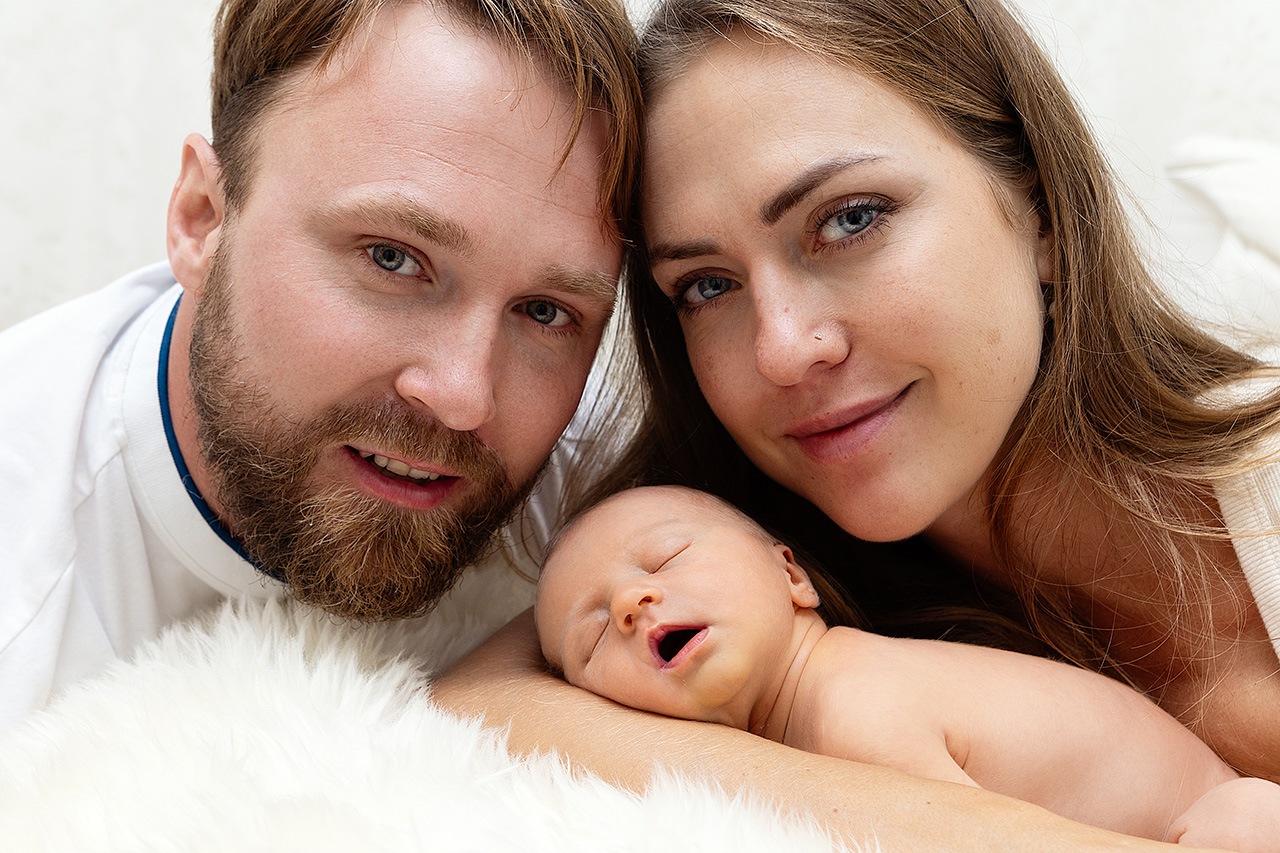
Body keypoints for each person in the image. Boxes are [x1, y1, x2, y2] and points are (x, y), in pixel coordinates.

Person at [433, 0, 1279, 848]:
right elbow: (477, 707)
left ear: (1041, 210)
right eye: (707, 285)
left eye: (849, 219)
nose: (783, 349)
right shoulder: (731, 582)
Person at [0, 0, 640, 731]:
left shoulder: (613, 515)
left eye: (545, 311)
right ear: (202, 218)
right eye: (393, 259)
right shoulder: (21, 587)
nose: (464, 397)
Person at [535, 484, 1280, 851]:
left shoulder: (851, 702)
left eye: (666, 557)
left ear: (792, 577)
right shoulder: (795, 739)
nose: (631, 603)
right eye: (592, 638)